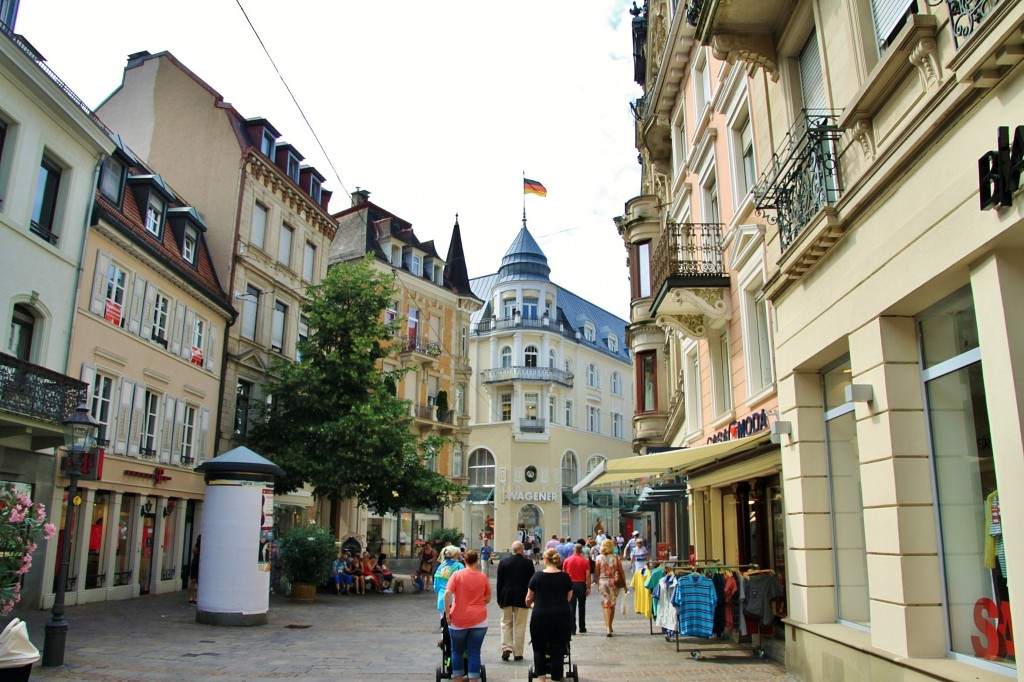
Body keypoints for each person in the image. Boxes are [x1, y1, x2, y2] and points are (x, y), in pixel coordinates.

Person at [526, 548, 574, 682]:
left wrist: (532, 605)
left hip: (540, 616)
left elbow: (529, 598)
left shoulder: (537, 577)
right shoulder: (565, 577)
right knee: (558, 650)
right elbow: (569, 597)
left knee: (539, 649)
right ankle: (556, 678)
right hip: (561, 616)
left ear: (546, 560)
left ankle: (541, 678)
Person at [444, 549, 491, 682]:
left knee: (456, 651)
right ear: (477, 561)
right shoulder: (482, 577)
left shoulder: (456, 575)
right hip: (479, 620)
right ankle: (473, 679)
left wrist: (447, 613)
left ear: (464, 560)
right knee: (474, 652)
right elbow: (488, 598)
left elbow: (447, 594)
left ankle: (458, 678)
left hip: (458, 619)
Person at [496, 540, 535, 662]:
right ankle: (518, 652)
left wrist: (499, 598)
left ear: (512, 550)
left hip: (506, 596)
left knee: (505, 623)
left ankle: (506, 647)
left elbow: (499, 582)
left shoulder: (503, 562)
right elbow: (532, 583)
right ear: (522, 550)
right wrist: (532, 599)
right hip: (522, 597)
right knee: (520, 625)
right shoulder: (528, 563)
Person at [595, 538, 626, 636]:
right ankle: (610, 625)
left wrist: (597, 584)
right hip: (613, 582)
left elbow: (597, 573)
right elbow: (621, 571)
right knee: (612, 605)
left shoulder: (598, 558)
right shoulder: (616, 557)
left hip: (603, 582)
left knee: (606, 605)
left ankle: (607, 627)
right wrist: (624, 585)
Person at [562, 544, 591, 635]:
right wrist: (588, 587)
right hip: (581, 584)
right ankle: (582, 627)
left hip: (570, 585)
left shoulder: (567, 560)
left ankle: (572, 629)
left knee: (571, 607)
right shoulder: (585, 561)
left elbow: (564, 574)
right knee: (582, 606)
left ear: (573, 550)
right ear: (581, 551)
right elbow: (588, 575)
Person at [187, 535, 201, 605]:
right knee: (193, 580)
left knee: (199, 581)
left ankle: (197, 597)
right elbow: (193, 550)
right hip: (195, 563)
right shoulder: (198, 544)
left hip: (200, 563)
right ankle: (190, 597)